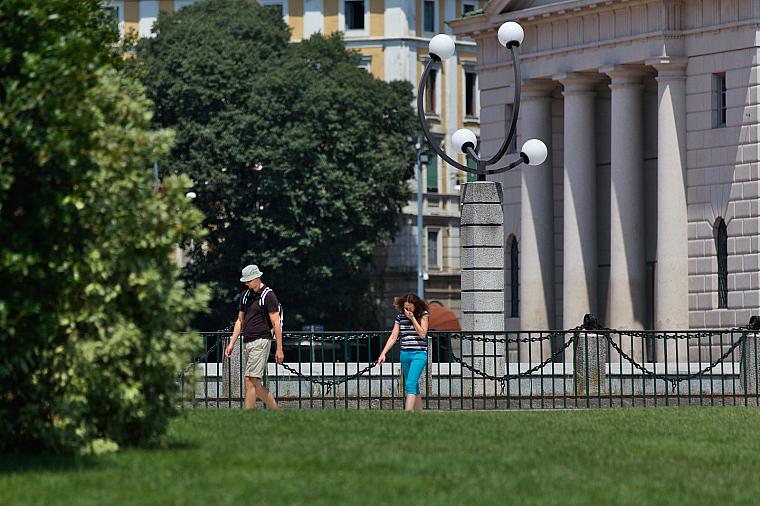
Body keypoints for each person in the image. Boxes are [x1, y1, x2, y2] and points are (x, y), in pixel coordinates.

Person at [225, 264, 284, 409]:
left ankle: (251, 414)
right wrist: (232, 343)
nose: (246, 283)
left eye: (249, 280)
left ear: (257, 277)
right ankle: (274, 412)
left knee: (250, 379)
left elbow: (276, 323)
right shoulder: (245, 296)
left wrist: (279, 349)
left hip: (261, 341)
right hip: (247, 342)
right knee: (251, 381)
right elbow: (240, 321)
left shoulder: (268, 295)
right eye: (245, 281)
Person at [377, 294, 429, 412]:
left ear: (416, 306)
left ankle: (407, 413)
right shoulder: (400, 317)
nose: (407, 310)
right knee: (414, 385)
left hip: (419, 354)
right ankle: (420, 413)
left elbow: (422, 334)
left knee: (410, 384)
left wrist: (413, 319)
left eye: (410, 308)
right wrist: (383, 353)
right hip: (405, 354)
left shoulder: (423, 314)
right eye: (406, 308)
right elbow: (393, 337)